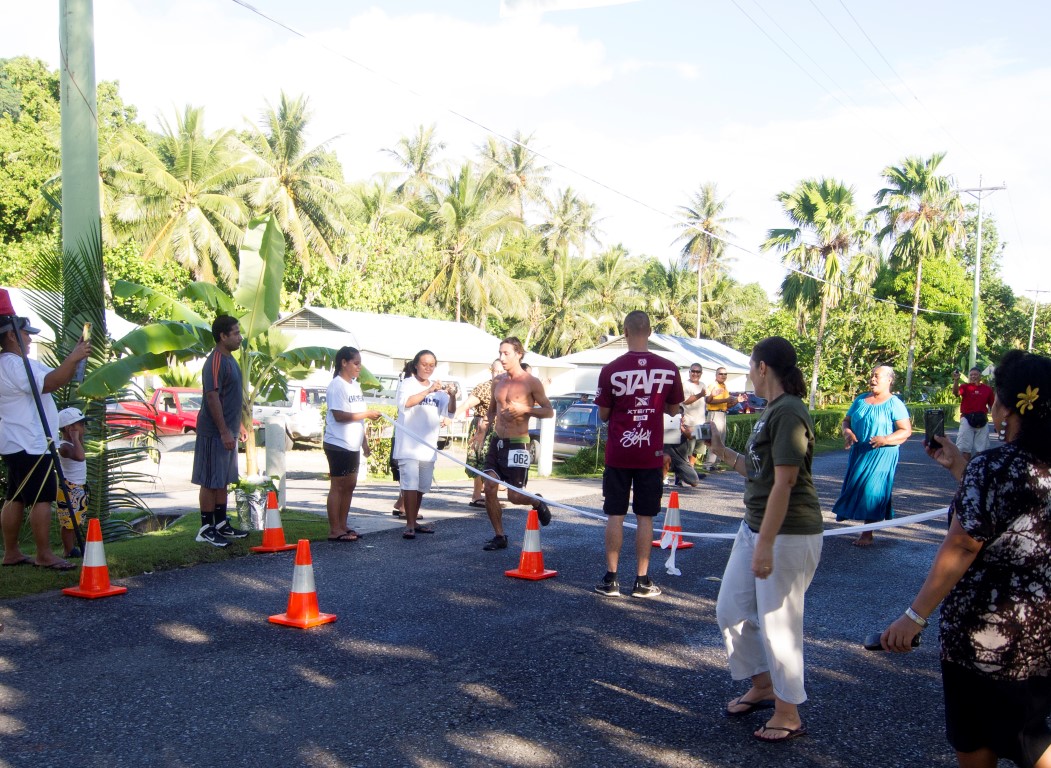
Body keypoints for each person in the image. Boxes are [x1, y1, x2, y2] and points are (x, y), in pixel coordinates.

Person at [881, 350, 1051, 768]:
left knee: (975, 736)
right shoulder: (1034, 465)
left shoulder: (994, 466)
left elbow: (963, 544)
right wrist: (959, 466)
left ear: (1006, 407)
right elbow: (1016, 510)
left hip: (982, 631)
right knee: (1031, 733)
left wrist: (915, 617)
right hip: (1041, 627)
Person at [706, 336, 822, 743]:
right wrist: (720, 451)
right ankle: (763, 685)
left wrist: (767, 544)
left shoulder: (789, 411)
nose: (748, 375)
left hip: (788, 534)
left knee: (780, 624)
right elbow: (759, 473)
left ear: (762, 368)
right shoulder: (771, 410)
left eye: (750, 367)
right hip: (754, 526)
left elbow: (786, 483)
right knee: (731, 610)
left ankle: (788, 712)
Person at [593, 311, 684, 598]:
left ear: (624, 331)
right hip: (650, 454)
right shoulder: (668, 368)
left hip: (620, 452)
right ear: (650, 331)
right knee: (646, 517)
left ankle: (611, 579)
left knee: (615, 515)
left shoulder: (611, 369)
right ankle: (642, 580)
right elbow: (673, 408)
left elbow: (605, 414)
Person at [0, 316, 88, 569]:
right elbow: (49, 384)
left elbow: (56, 377)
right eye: (26, 334)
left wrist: (74, 357)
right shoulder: (13, 365)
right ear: (12, 336)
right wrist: (73, 358)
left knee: (15, 497)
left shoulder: (20, 363)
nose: (30, 339)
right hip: (30, 442)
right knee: (42, 498)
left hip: (20, 441)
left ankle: (12, 552)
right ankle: (44, 554)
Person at [481, 338, 554, 551]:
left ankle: (536, 501)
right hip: (497, 442)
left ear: (518, 354)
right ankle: (499, 535)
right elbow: (492, 410)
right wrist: (482, 431)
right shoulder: (498, 381)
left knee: (514, 496)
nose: (502, 358)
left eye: (506, 354)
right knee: (490, 486)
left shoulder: (531, 382)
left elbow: (548, 411)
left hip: (518, 443)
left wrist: (524, 409)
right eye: (500, 353)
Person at [832, 365, 912, 547]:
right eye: (871, 376)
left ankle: (867, 534)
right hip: (860, 452)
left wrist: (886, 439)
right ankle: (860, 525)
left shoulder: (894, 403)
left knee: (872, 490)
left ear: (889, 380)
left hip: (882, 454)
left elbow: (906, 431)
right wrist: (847, 432)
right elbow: (846, 421)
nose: (872, 379)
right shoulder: (860, 400)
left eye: (877, 376)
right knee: (856, 487)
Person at [191, 315, 249, 548]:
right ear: (223, 336)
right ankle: (206, 528)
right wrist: (224, 431)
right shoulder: (215, 360)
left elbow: (231, 397)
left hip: (229, 430)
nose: (239, 337)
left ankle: (221, 523)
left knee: (223, 480)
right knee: (210, 480)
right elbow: (212, 396)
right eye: (235, 333)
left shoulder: (231, 360)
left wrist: (239, 425)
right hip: (213, 431)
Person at [393, 350, 455, 540]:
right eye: (424, 364)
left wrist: (452, 395)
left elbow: (450, 412)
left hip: (428, 447)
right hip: (408, 446)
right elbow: (406, 403)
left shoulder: (439, 391)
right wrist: (429, 390)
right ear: (416, 365)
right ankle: (409, 524)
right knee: (410, 484)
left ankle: (414, 521)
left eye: (431, 365)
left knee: (421, 486)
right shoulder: (407, 384)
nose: (427, 368)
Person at [324, 347, 382, 542]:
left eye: (360, 363)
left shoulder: (354, 386)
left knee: (350, 485)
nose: (359, 367)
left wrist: (364, 442)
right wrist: (367, 414)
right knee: (338, 485)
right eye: (356, 363)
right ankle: (334, 529)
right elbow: (339, 415)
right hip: (337, 443)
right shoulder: (337, 385)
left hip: (352, 444)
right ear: (344, 363)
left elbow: (358, 418)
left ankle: (343, 524)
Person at [461, 359, 503, 508]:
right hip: (482, 427)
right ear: (490, 370)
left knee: (495, 463)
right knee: (480, 461)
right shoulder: (484, 387)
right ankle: (476, 496)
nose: (498, 374)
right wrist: (451, 416)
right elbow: (466, 404)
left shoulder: (508, 387)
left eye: (501, 371)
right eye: (495, 371)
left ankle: (492, 497)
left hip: (500, 428)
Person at [57, 407, 89, 558]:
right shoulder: (64, 446)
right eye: (80, 425)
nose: (84, 428)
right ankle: (68, 549)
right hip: (69, 487)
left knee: (76, 520)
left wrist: (77, 439)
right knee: (69, 521)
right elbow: (80, 457)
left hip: (78, 486)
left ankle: (73, 547)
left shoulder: (74, 444)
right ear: (69, 428)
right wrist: (75, 438)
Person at [953, 367, 995, 462]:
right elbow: (955, 393)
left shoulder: (987, 389)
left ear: (980, 376)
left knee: (982, 449)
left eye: (975, 374)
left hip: (982, 420)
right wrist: (956, 380)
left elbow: (993, 406)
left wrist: (997, 421)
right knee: (965, 448)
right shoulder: (965, 387)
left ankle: (979, 470)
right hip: (967, 419)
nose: (973, 376)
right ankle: (964, 471)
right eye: (971, 375)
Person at [702, 367, 733, 471]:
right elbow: (709, 401)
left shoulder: (724, 386)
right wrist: (726, 399)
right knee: (714, 439)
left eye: (725, 374)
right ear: (716, 375)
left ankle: (715, 463)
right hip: (714, 413)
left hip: (722, 413)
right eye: (720, 374)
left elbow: (726, 404)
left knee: (721, 439)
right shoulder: (713, 385)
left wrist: (737, 400)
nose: (723, 376)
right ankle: (708, 464)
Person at [663, 410, 700, 487]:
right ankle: (663, 479)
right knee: (665, 458)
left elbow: (690, 436)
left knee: (694, 482)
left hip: (681, 462)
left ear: (683, 418)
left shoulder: (686, 429)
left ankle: (679, 477)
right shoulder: (663, 427)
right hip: (667, 460)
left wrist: (681, 427)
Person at [681, 364, 707, 468]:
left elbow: (705, 401)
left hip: (701, 422)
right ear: (689, 372)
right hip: (689, 422)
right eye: (693, 371)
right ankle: (683, 473)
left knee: (697, 450)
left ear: (701, 373)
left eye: (698, 372)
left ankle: (691, 470)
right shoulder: (686, 384)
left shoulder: (703, 384)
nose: (695, 374)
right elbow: (686, 401)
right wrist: (700, 394)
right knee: (688, 450)